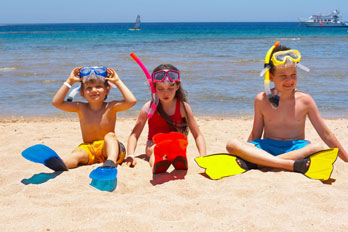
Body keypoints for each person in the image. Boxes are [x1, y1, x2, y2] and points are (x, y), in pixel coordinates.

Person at [226, 42, 348, 176]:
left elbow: (326, 134)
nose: (289, 80)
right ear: (271, 77)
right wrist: (247, 149)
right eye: (283, 76)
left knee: (317, 147)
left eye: (293, 75)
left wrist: (346, 159)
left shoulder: (305, 100)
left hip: (296, 149)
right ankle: (288, 165)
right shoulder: (261, 99)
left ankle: (262, 163)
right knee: (232, 144)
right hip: (268, 147)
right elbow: (255, 134)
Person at [51, 66, 136, 170]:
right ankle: (60, 164)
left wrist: (117, 81)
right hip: (89, 148)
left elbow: (131, 101)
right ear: (82, 93)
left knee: (110, 136)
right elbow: (56, 103)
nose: (94, 90)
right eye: (88, 88)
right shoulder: (80, 107)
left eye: (98, 86)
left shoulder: (111, 107)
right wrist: (70, 81)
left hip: (108, 148)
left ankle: (111, 162)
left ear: (107, 90)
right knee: (77, 154)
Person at [127, 64, 206, 172]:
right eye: (160, 89)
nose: (166, 93)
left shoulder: (183, 107)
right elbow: (134, 135)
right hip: (154, 145)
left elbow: (198, 135)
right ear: (154, 88)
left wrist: (203, 156)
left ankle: (176, 160)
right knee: (156, 150)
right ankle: (157, 165)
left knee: (176, 149)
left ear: (177, 86)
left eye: (170, 88)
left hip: (176, 145)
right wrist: (130, 155)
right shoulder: (149, 108)